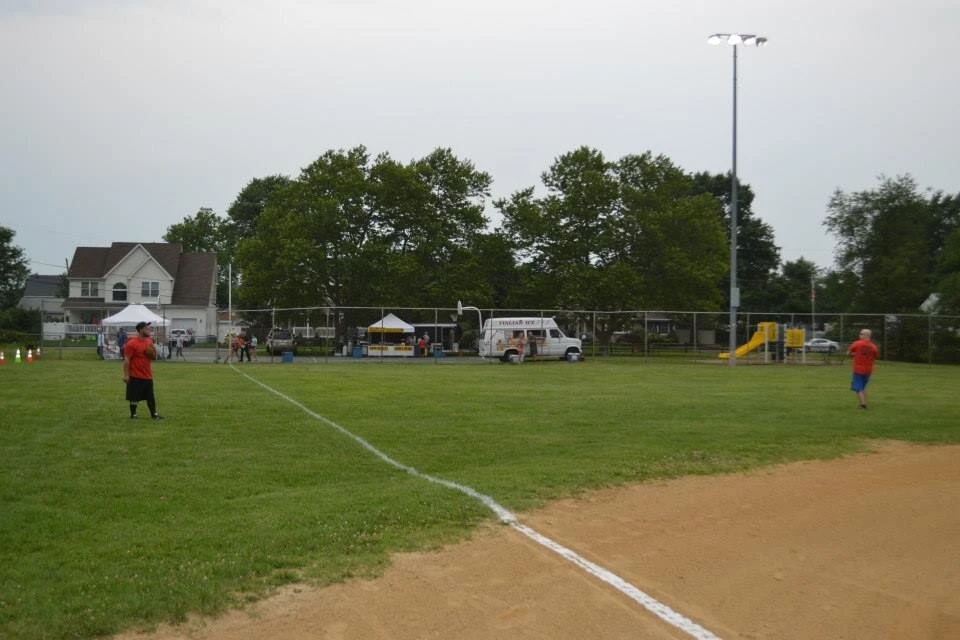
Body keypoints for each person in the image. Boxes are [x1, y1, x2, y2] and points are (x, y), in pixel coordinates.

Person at [123, 321, 163, 420]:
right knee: (134, 397)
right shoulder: (131, 343)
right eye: (147, 329)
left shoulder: (149, 341)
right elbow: (127, 360)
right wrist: (126, 375)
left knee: (150, 396)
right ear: (141, 330)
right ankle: (133, 414)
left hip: (147, 374)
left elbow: (153, 357)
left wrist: (153, 354)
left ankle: (154, 414)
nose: (149, 331)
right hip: (135, 375)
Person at [847, 328, 879, 409]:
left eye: (861, 334)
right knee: (862, 388)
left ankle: (863, 405)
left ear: (866, 335)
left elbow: (848, 352)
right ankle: (864, 402)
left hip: (858, 370)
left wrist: (855, 354)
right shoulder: (873, 346)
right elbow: (875, 356)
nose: (859, 335)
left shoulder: (857, 343)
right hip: (868, 370)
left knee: (858, 388)